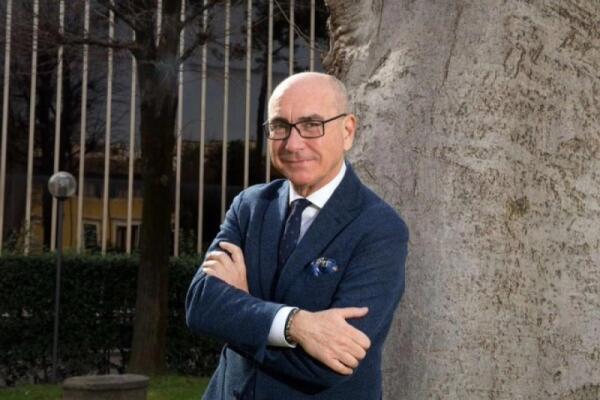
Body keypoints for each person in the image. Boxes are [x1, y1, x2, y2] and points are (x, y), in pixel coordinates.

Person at [186, 72, 408, 399]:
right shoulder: (250, 206)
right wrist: (296, 325)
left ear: (347, 131)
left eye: (311, 125)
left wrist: (240, 309)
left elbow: (329, 364)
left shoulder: (380, 228)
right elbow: (201, 306)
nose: (292, 144)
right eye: (280, 126)